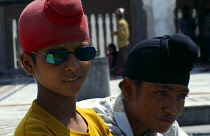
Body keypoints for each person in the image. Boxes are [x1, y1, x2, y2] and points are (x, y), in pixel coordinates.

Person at [14, 0, 112, 135]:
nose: (73, 65)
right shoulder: (34, 130)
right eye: (56, 56)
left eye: (83, 53)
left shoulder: (94, 120)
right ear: (28, 63)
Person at [77, 33, 198, 136]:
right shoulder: (91, 125)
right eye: (161, 93)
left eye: (181, 96)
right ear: (128, 89)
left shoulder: (168, 129)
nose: (172, 109)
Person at [111, 8, 130, 75]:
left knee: (124, 60)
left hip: (123, 44)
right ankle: (115, 72)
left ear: (118, 16)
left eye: (116, 16)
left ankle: (129, 73)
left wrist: (115, 33)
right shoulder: (124, 22)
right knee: (120, 60)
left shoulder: (120, 23)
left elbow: (122, 34)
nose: (115, 17)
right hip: (124, 44)